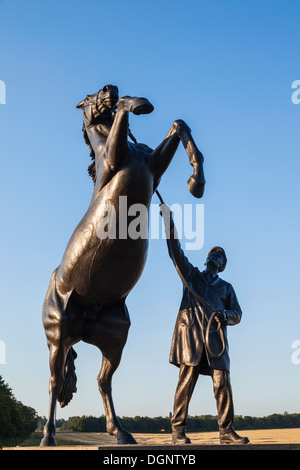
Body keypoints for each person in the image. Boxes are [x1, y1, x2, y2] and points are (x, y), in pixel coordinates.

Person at [160, 203, 249, 445]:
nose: (215, 256)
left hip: (215, 343)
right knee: (185, 383)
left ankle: (226, 431)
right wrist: (168, 221)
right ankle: (177, 431)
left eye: (220, 255)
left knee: (223, 384)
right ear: (207, 258)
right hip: (191, 340)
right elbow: (175, 252)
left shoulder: (226, 288)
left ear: (222, 265)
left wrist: (225, 316)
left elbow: (238, 313)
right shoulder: (191, 275)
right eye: (213, 253)